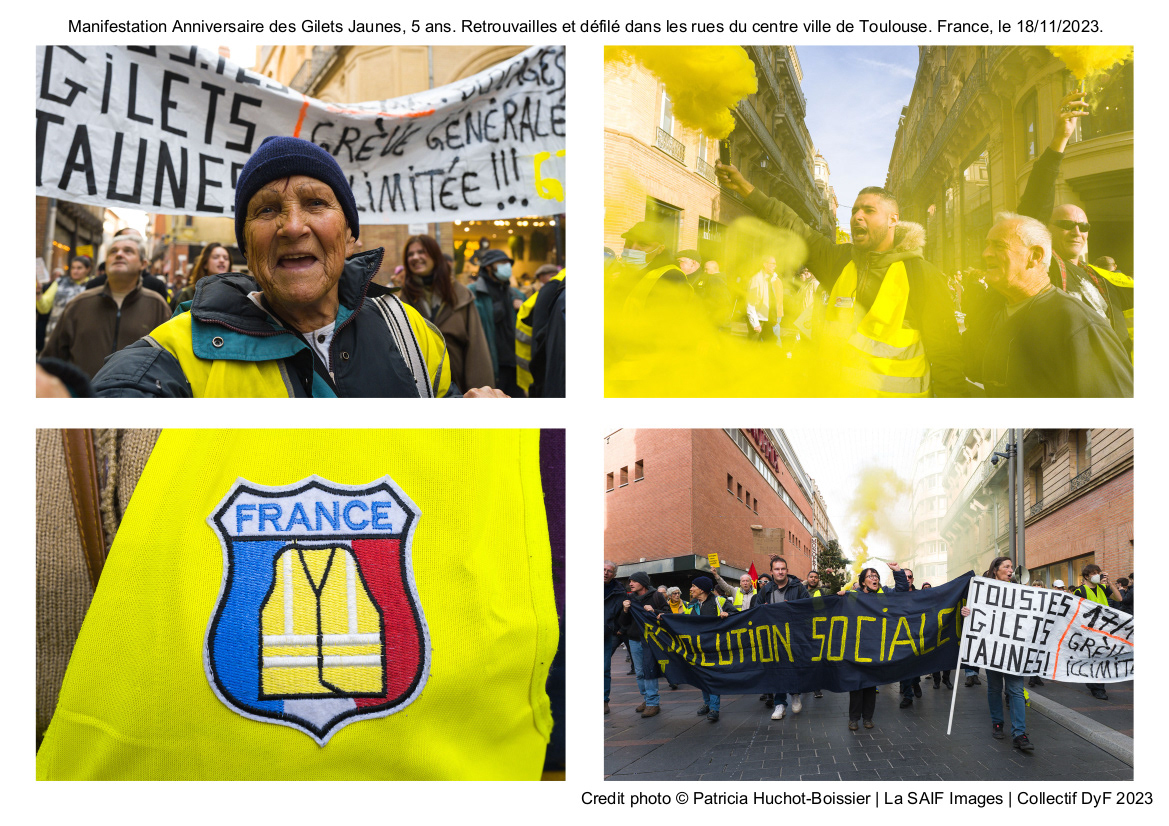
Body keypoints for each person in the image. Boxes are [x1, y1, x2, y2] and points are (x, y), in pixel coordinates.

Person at [89, 137, 503, 398]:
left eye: (316, 203)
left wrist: (473, 421)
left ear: (349, 234)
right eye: (267, 210)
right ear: (247, 247)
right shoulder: (179, 352)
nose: (292, 226)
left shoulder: (411, 332)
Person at [717, 161, 965, 397]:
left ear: (893, 220)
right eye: (855, 210)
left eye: (869, 210)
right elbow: (795, 226)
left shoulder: (923, 275)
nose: (857, 216)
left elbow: (948, 360)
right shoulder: (840, 261)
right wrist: (744, 188)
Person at [971, 213, 1132, 397]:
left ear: (1035, 256)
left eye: (999, 245)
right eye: (987, 245)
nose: (986, 254)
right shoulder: (1001, 314)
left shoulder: (1078, 323)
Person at [40, 236, 172, 379]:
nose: (119, 254)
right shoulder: (79, 304)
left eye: (128, 251)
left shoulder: (157, 306)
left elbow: (169, 364)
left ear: (143, 264)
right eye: (113, 251)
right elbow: (51, 360)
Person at [399, 234, 495, 393]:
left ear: (435, 255)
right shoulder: (401, 301)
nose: (415, 257)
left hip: (459, 389)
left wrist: (480, 392)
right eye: (410, 254)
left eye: (421, 252)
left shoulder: (460, 295)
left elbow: (476, 351)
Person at [961, 557, 1034, 751]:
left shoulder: (1020, 591)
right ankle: (997, 723)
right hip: (993, 648)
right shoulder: (984, 590)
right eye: (1007, 567)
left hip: (1014, 649)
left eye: (1012, 567)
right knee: (994, 687)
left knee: (1016, 690)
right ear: (996, 570)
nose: (1011, 570)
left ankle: (1020, 733)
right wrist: (967, 612)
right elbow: (976, 613)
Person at [845, 564, 910, 730]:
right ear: (863, 582)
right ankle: (854, 718)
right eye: (870, 576)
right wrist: (841, 595)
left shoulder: (885, 593)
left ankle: (868, 718)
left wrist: (897, 571)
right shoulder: (854, 596)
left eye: (876, 576)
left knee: (870, 684)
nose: (875, 578)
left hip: (877, 647)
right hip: (858, 647)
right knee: (856, 684)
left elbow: (902, 590)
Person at [755, 556, 810, 719]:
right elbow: (755, 609)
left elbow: (809, 607)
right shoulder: (765, 590)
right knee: (777, 670)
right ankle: (780, 704)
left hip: (794, 636)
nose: (780, 572)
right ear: (771, 571)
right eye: (777, 569)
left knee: (793, 667)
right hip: (773, 637)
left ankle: (794, 694)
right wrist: (762, 610)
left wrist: (794, 609)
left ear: (787, 570)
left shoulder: (798, 588)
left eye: (783, 568)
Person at [469, 248, 526, 396]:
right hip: (491, 365)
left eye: (508, 263)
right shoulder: (474, 293)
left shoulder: (516, 294)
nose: (507, 266)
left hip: (515, 365)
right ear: (488, 266)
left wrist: (522, 310)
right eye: (502, 263)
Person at [617, 572, 669, 718]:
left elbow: (667, 613)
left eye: (634, 581)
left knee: (649, 670)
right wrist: (625, 610)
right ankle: (646, 699)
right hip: (634, 639)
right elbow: (624, 622)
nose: (630, 584)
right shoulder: (630, 598)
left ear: (643, 583)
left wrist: (654, 611)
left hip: (651, 639)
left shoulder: (656, 596)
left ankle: (653, 703)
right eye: (630, 581)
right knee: (639, 672)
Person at [1073, 563, 1124, 700]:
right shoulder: (1080, 591)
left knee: (1101, 658)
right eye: (1093, 573)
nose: (1097, 575)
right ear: (1086, 576)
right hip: (1088, 631)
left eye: (1098, 572)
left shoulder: (1103, 588)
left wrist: (1110, 583)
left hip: (1104, 630)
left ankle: (1096, 685)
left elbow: (1119, 598)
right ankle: (1097, 688)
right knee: (1093, 658)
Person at [688, 575, 734, 722]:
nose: (691, 589)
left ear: (701, 589)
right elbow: (683, 619)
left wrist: (728, 614)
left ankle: (714, 708)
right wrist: (661, 615)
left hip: (715, 647)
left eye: (693, 586)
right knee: (702, 676)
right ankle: (707, 703)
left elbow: (737, 615)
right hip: (699, 648)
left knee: (712, 676)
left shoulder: (719, 601)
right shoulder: (693, 604)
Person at [37, 255, 93, 343]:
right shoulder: (60, 282)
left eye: (79, 268)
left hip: (80, 337)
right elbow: (44, 308)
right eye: (73, 268)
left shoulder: (93, 285)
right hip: (55, 335)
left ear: (88, 269)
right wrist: (38, 293)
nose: (75, 271)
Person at [175, 243, 233, 307]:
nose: (222, 260)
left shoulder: (236, 293)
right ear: (205, 264)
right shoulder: (188, 294)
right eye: (216, 257)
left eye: (226, 258)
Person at [898, 567, 924, 708]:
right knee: (905, 666)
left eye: (909, 577)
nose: (907, 579)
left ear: (912, 579)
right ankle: (908, 695)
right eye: (905, 576)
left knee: (916, 664)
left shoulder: (920, 595)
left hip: (917, 635)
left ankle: (916, 683)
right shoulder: (895, 594)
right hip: (901, 636)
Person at [603, 561, 626, 715]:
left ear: (615, 575)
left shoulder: (619, 591)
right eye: (603, 570)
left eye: (609, 571)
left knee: (604, 668)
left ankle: (603, 701)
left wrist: (615, 628)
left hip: (604, 634)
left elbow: (622, 615)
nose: (605, 573)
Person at [745, 255, 780, 343]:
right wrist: (755, 324)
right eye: (773, 263)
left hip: (767, 319)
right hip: (758, 320)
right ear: (765, 264)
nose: (775, 266)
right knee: (752, 347)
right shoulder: (756, 279)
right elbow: (750, 303)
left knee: (770, 346)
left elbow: (771, 300)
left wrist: (773, 317)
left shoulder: (771, 278)